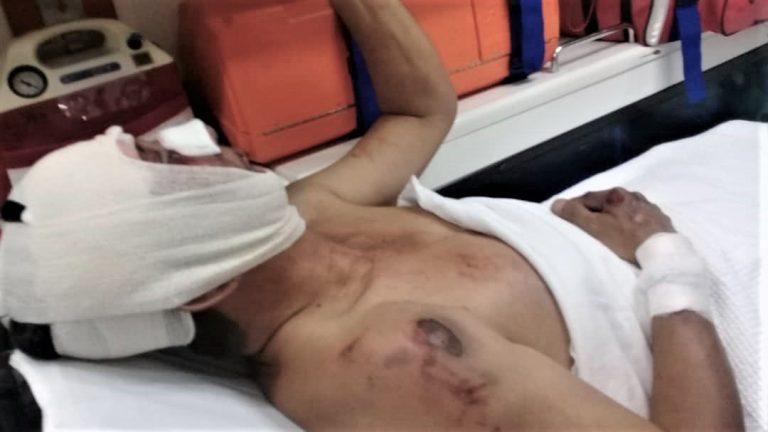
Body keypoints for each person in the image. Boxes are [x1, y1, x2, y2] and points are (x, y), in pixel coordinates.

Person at [0, 1, 749, 431]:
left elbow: (420, 111)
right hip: (701, 309)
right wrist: (665, 258)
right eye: (167, 164)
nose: (196, 138)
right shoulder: (391, 359)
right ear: (202, 286)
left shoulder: (304, 216)